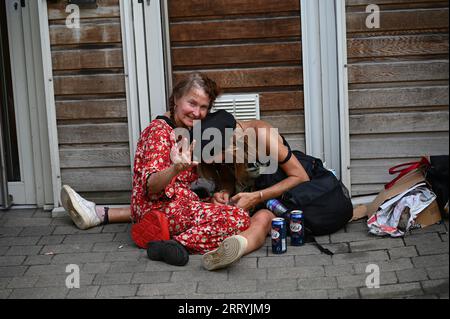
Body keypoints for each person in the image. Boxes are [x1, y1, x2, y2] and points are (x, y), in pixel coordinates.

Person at [61, 73, 251, 267]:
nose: (197, 113)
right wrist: (175, 168)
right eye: (192, 103)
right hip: (157, 208)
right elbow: (151, 186)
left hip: (173, 206)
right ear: (176, 99)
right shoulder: (158, 132)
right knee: (239, 218)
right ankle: (175, 245)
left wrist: (215, 197)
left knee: (227, 210)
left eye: (203, 107)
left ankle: (165, 238)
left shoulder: (185, 130)